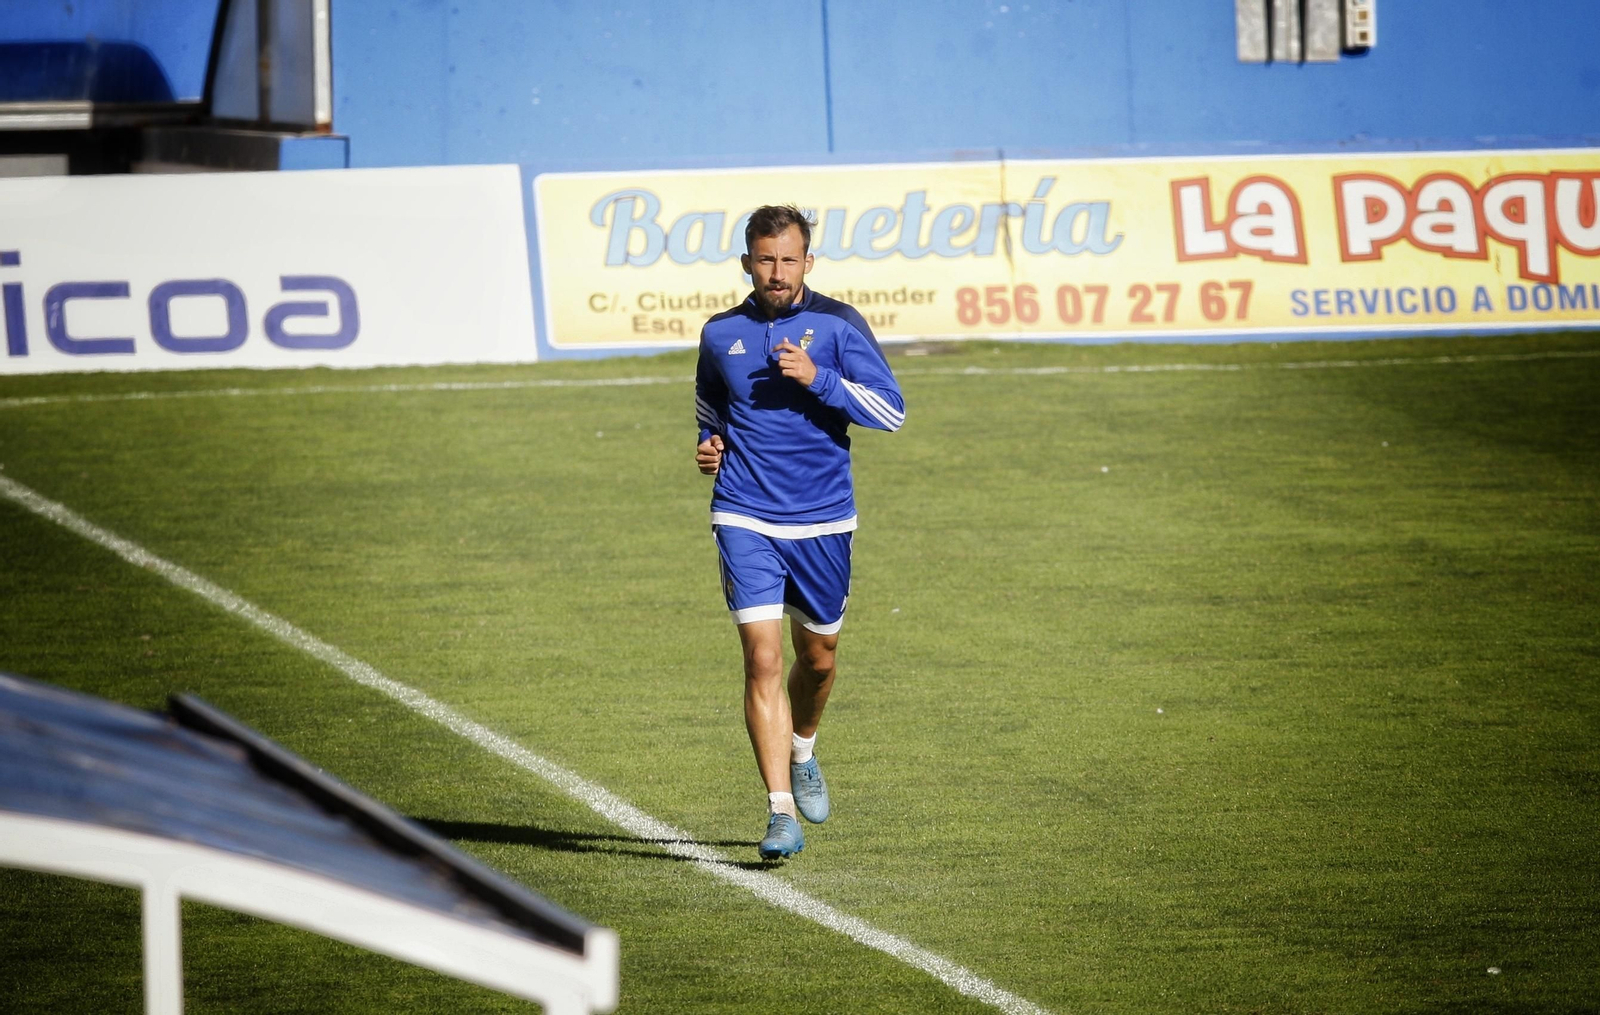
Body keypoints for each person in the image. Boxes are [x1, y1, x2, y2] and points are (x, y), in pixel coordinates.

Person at [694, 204, 905, 860]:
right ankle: (779, 809)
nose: (777, 272)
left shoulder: (838, 325)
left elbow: (890, 411)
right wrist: (708, 443)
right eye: (765, 259)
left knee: (817, 660)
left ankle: (804, 749)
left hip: (824, 519)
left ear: (807, 262)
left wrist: (821, 379)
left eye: (789, 260)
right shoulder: (719, 332)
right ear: (747, 262)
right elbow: (710, 404)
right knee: (761, 657)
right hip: (744, 510)